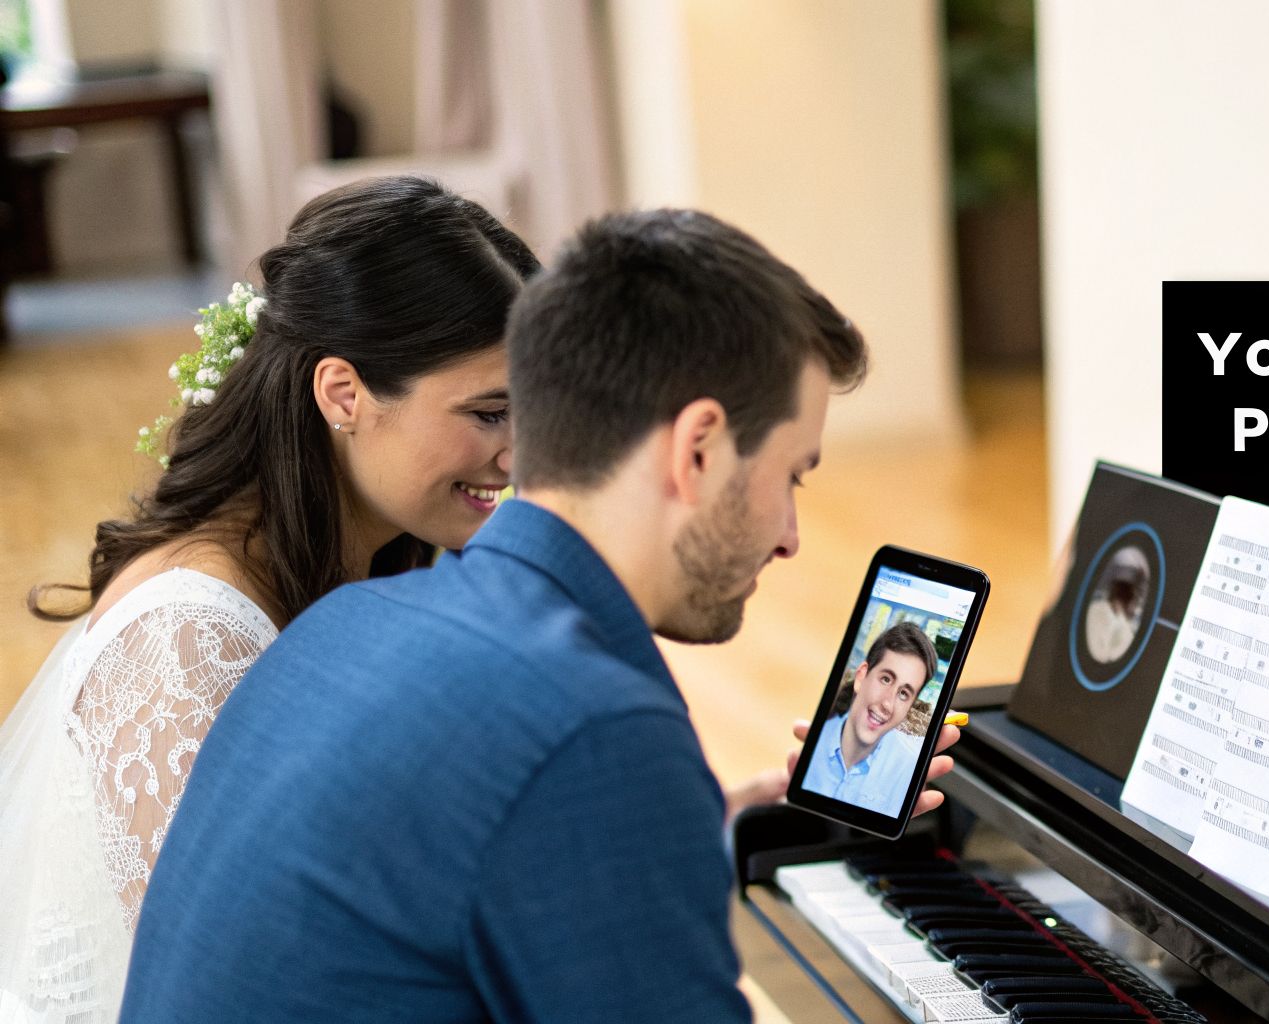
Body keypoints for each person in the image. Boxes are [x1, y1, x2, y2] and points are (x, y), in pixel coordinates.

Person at [120, 208, 960, 1022]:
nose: (790, 537)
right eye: (792, 476)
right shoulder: (591, 727)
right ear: (697, 448)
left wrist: (697, 833)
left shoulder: (338, 627)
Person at [0, 176, 538, 1023]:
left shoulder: (349, 566)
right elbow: (248, 987)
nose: (517, 456)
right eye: (488, 413)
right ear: (343, 394)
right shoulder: (185, 644)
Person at [802, 621, 940, 814]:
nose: (887, 704)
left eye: (903, 694)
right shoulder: (816, 739)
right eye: (886, 679)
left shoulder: (907, 770)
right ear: (861, 677)